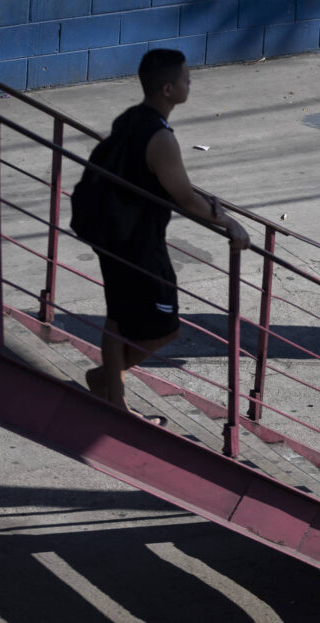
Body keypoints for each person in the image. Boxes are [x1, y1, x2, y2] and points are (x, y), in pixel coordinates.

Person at [84, 49, 249, 423]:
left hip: (108, 231)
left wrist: (206, 201)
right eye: (187, 79)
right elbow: (185, 197)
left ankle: (113, 396)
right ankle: (104, 377)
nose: (191, 84)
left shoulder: (132, 118)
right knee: (165, 329)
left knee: (117, 317)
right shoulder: (160, 137)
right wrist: (230, 224)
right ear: (168, 88)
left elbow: (171, 184)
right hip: (137, 242)